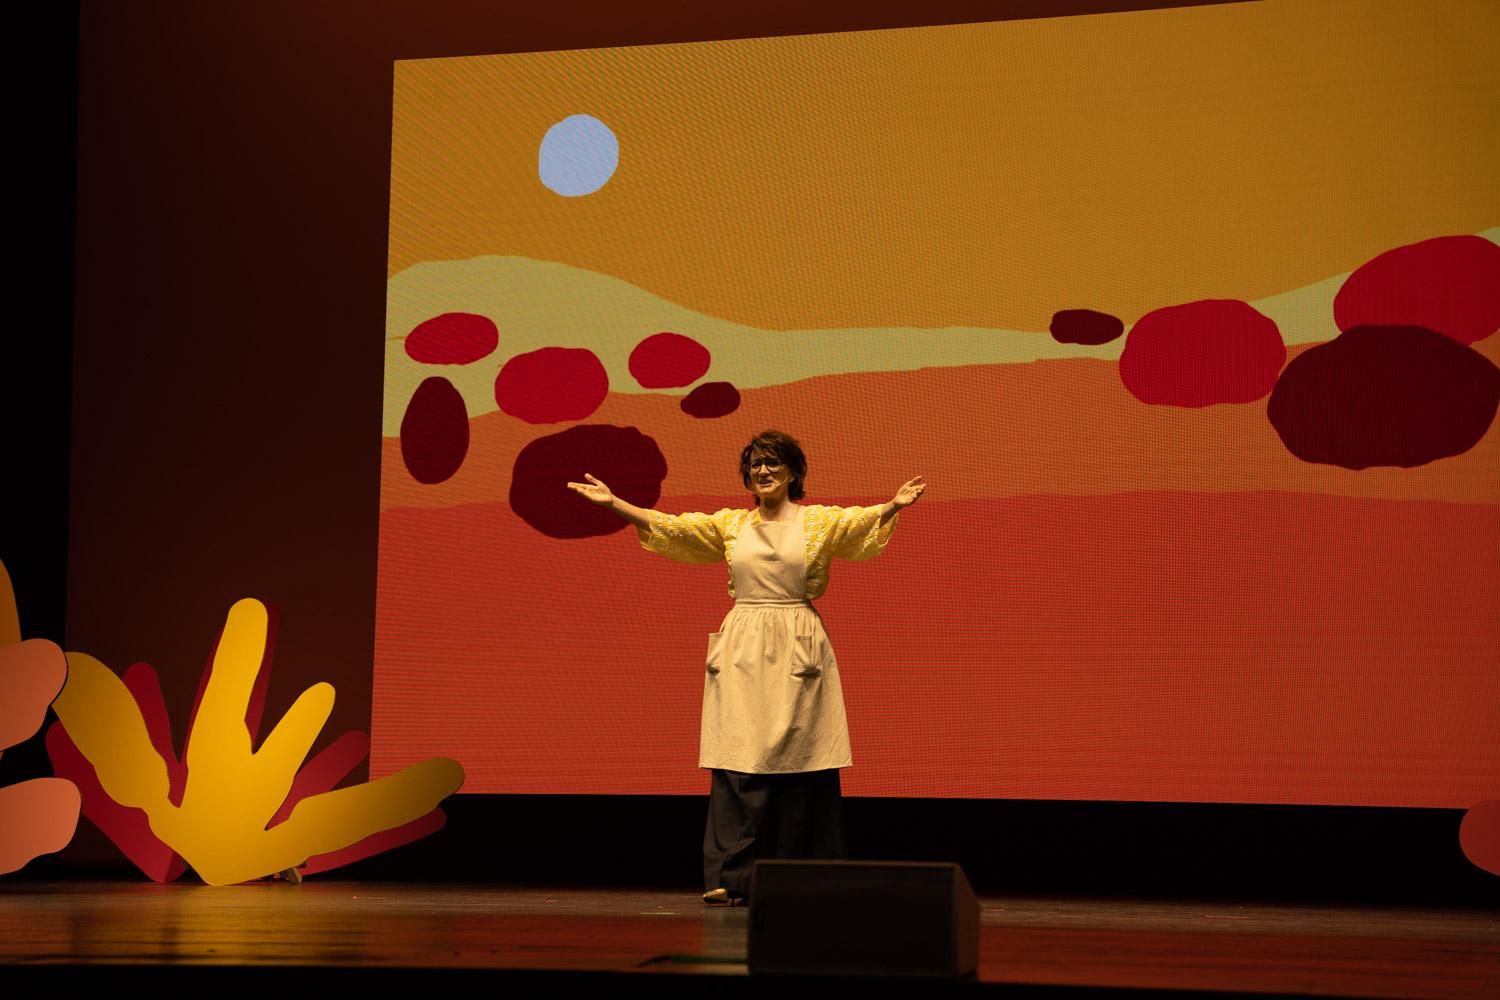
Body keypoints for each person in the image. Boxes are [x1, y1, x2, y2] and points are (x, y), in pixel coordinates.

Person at [568, 430, 925, 905]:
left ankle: (801, 877)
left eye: (773, 463)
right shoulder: (733, 525)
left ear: (794, 472)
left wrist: (892, 505)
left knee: (802, 754)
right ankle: (730, 878)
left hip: (797, 638)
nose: (763, 471)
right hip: (744, 641)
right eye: (755, 465)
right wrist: (616, 503)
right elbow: (674, 528)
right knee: (739, 752)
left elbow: (856, 524)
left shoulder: (816, 522)